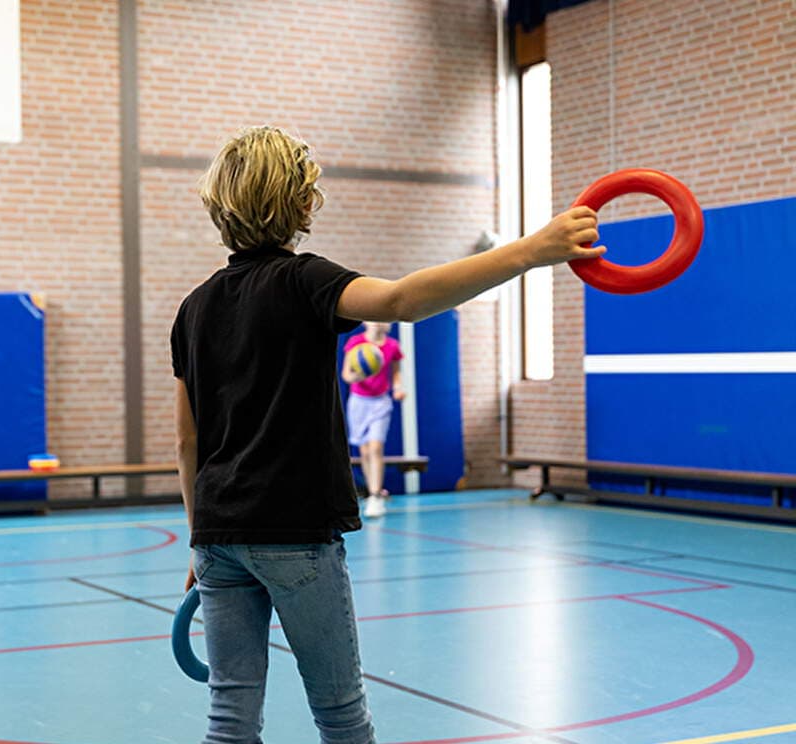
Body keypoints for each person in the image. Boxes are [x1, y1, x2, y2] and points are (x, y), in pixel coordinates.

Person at [170, 125, 602, 744]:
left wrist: (196, 538)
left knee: (230, 718)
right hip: (294, 533)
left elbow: (186, 442)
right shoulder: (305, 281)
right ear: (301, 203)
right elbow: (400, 300)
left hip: (216, 536)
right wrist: (531, 251)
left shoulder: (193, 306)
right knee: (342, 715)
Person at [342, 322, 404, 519]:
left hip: (381, 402)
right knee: (365, 450)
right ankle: (371, 491)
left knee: (376, 447)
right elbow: (346, 374)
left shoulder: (392, 346)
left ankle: (376, 494)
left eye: (382, 318)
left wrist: (398, 388)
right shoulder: (355, 343)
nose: (378, 321)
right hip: (359, 402)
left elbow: (395, 373)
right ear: (365, 321)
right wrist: (358, 375)